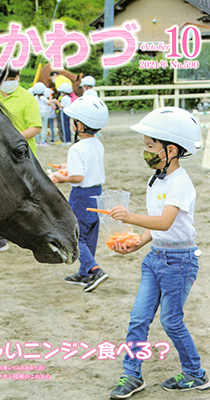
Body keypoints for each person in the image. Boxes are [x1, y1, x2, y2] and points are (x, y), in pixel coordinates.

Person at [108, 107, 210, 399]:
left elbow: (165, 221)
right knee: (138, 318)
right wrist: (138, 242)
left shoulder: (180, 182)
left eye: (150, 146)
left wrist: (129, 218)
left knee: (170, 321)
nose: (146, 151)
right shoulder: (157, 179)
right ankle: (131, 374)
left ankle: (195, 373)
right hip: (155, 258)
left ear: (171, 149)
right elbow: (157, 226)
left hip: (179, 262)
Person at [0, 67, 42, 254]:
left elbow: (35, 127)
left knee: (30, 198)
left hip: (23, 158)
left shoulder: (27, 98)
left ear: (18, 77)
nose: (9, 81)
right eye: (6, 78)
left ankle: (38, 235)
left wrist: (12, 140)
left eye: (12, 78)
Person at [51, 96, 109, 292]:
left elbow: (77, 177)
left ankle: (95, 270)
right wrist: (66, 166)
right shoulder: (97, 144)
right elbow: (88, 165)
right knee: (90, 233)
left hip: (81, 195)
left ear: (81, 125)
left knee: (76, 237)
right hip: (97, 193)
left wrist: (60, 176)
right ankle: (84, 273)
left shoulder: (76, 148)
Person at [49, 71, 73, 143]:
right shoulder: (66, 79)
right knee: (67, 126)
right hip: (67, 110)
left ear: (54, 75)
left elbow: (59, 92)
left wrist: (56, 101)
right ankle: (67, 139)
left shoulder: (59, 79)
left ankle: (65, 140)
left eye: (51, 78)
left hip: (63, 111)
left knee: (63, 126)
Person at [33, 82, 50, 146]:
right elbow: (49, 103)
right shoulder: (44, 98)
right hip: (44, 113)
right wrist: (50, 98)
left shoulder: (34, 97)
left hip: (37, 113)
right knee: (44, 128)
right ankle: (42, 142)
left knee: (37, 127)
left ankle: (37, 142)